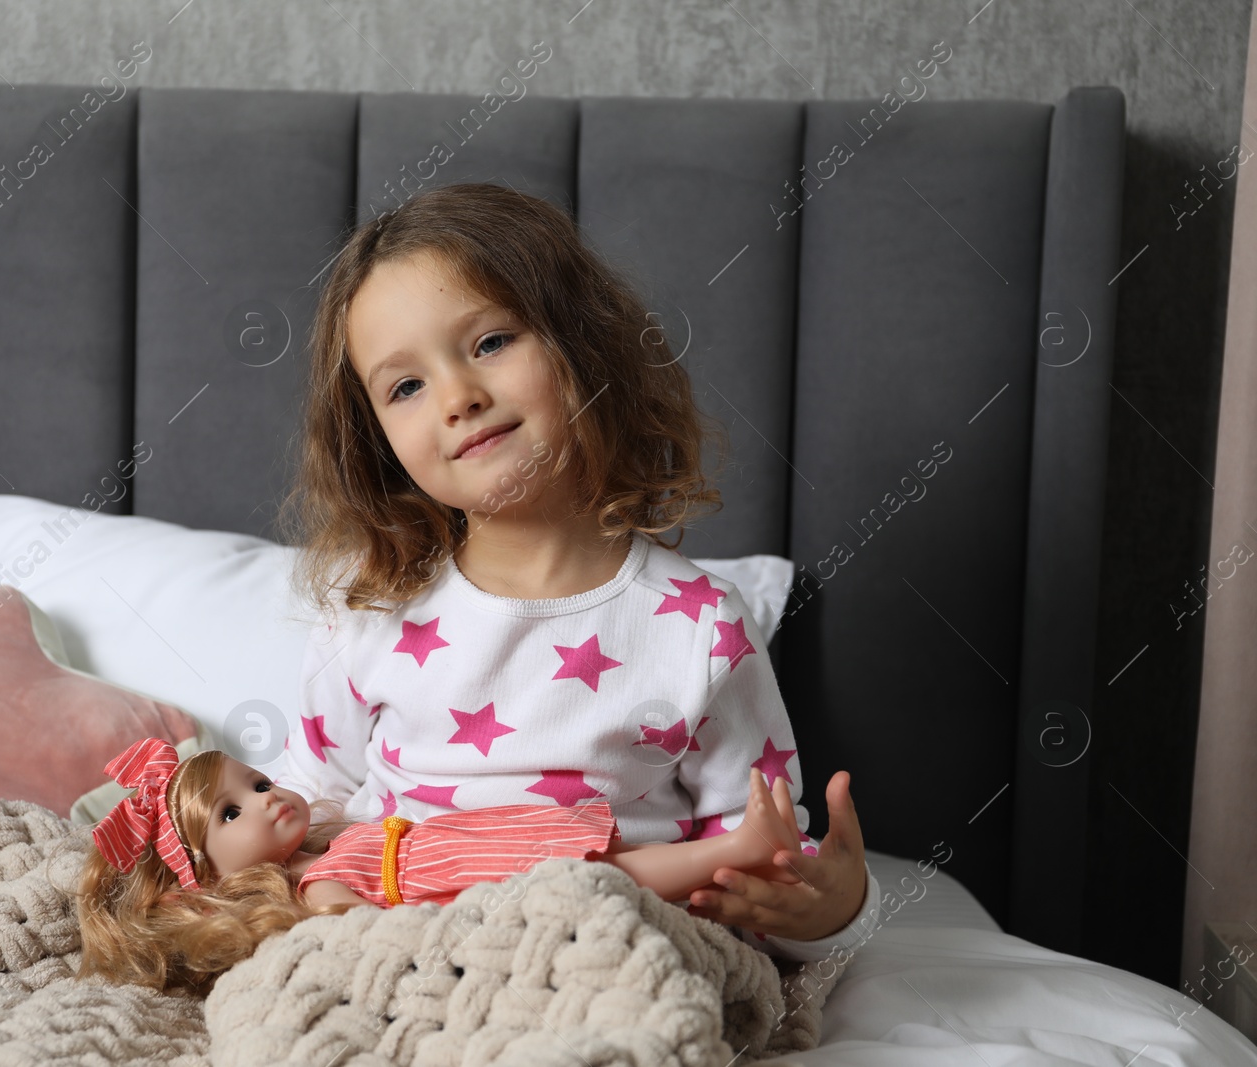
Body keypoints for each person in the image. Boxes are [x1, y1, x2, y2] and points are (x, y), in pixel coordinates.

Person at [269, 181, 880, 962]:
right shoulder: (372, 612)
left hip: (602, 950)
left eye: (490, 342)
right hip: (405, 946)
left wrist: (827, 904)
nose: (458, 396)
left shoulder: (700, 624)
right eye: (407, 386)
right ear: (376, 437)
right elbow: (309, 808)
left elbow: (757, 858)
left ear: (581, 345)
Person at [73, 739, 811, 992]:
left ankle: (735, 858)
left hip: (473, 845)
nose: (264, 800)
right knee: (613, 878)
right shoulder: (314, 885)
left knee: (616, 856)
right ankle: (736, 850)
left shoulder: (325, 844)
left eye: (257, 782)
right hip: (466, 885)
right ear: (206, 873)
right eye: (232, 814)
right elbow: (362, 933)